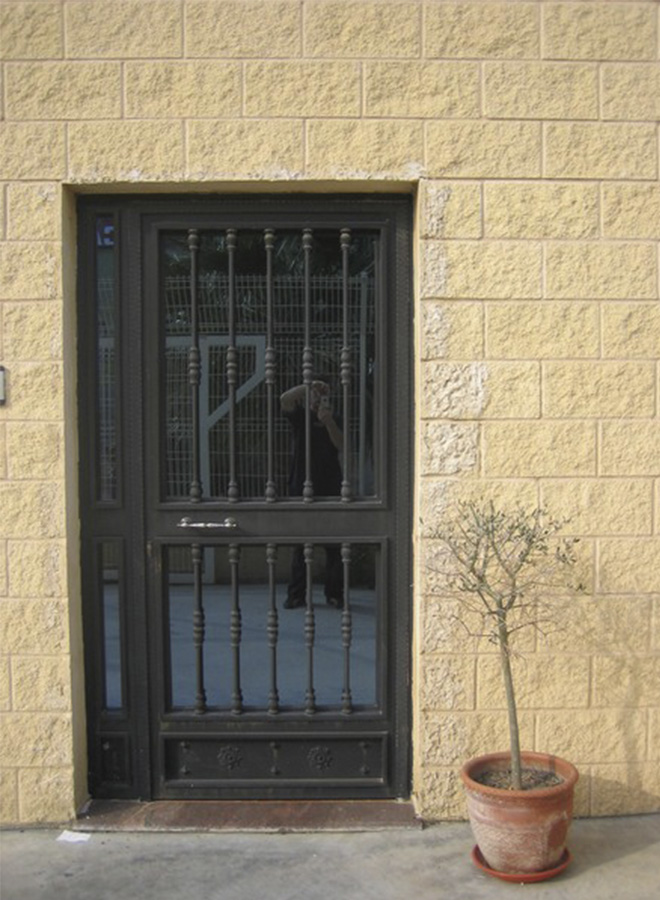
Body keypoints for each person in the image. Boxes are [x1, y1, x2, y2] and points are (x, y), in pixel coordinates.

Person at [280, 380, 344, 609]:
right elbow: (285, 399)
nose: (317, 399)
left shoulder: (333, 419)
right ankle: (296, 595)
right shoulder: (300, 417)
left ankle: (335, 594)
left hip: (330, 486)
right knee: (300, 545)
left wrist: (327, 422)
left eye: (322, 395)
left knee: (334, 546)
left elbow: (342, 445)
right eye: (314, 396)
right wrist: (307, 386)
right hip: (301, 486)